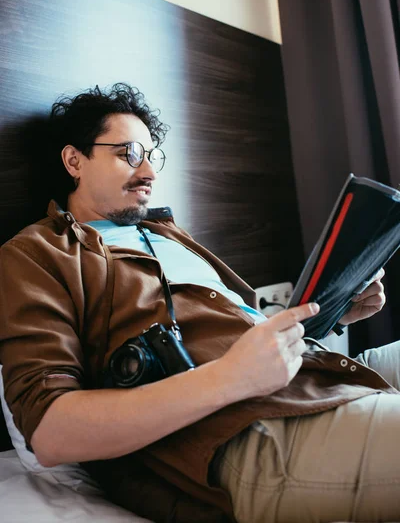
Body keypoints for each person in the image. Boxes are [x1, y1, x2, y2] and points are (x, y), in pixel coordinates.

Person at [0, 83, 398, 523]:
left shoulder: (167, 233)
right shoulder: (38, 254)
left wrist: (336, 310)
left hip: (313, 376)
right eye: (129, 153)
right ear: (74, 160)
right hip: (239, 433)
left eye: (153, 156)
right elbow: (51, 433)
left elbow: (241, 333)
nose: (149, 170)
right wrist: (228, 379)